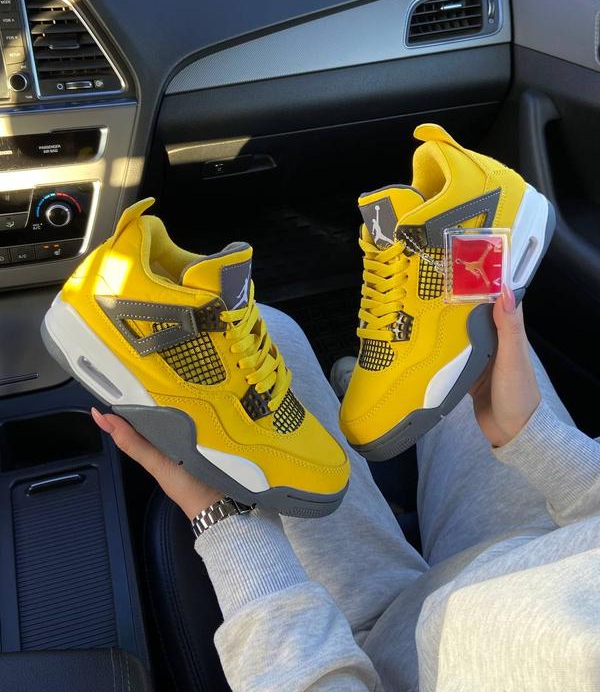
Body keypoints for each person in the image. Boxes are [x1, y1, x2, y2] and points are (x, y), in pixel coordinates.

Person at [91, 286, 600, 691]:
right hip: (548, 541)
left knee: (257, 333)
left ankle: (353, 387)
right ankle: (360, 388)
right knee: (462, 309)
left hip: (383, 658)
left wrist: (224, 519)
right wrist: (532, 435)